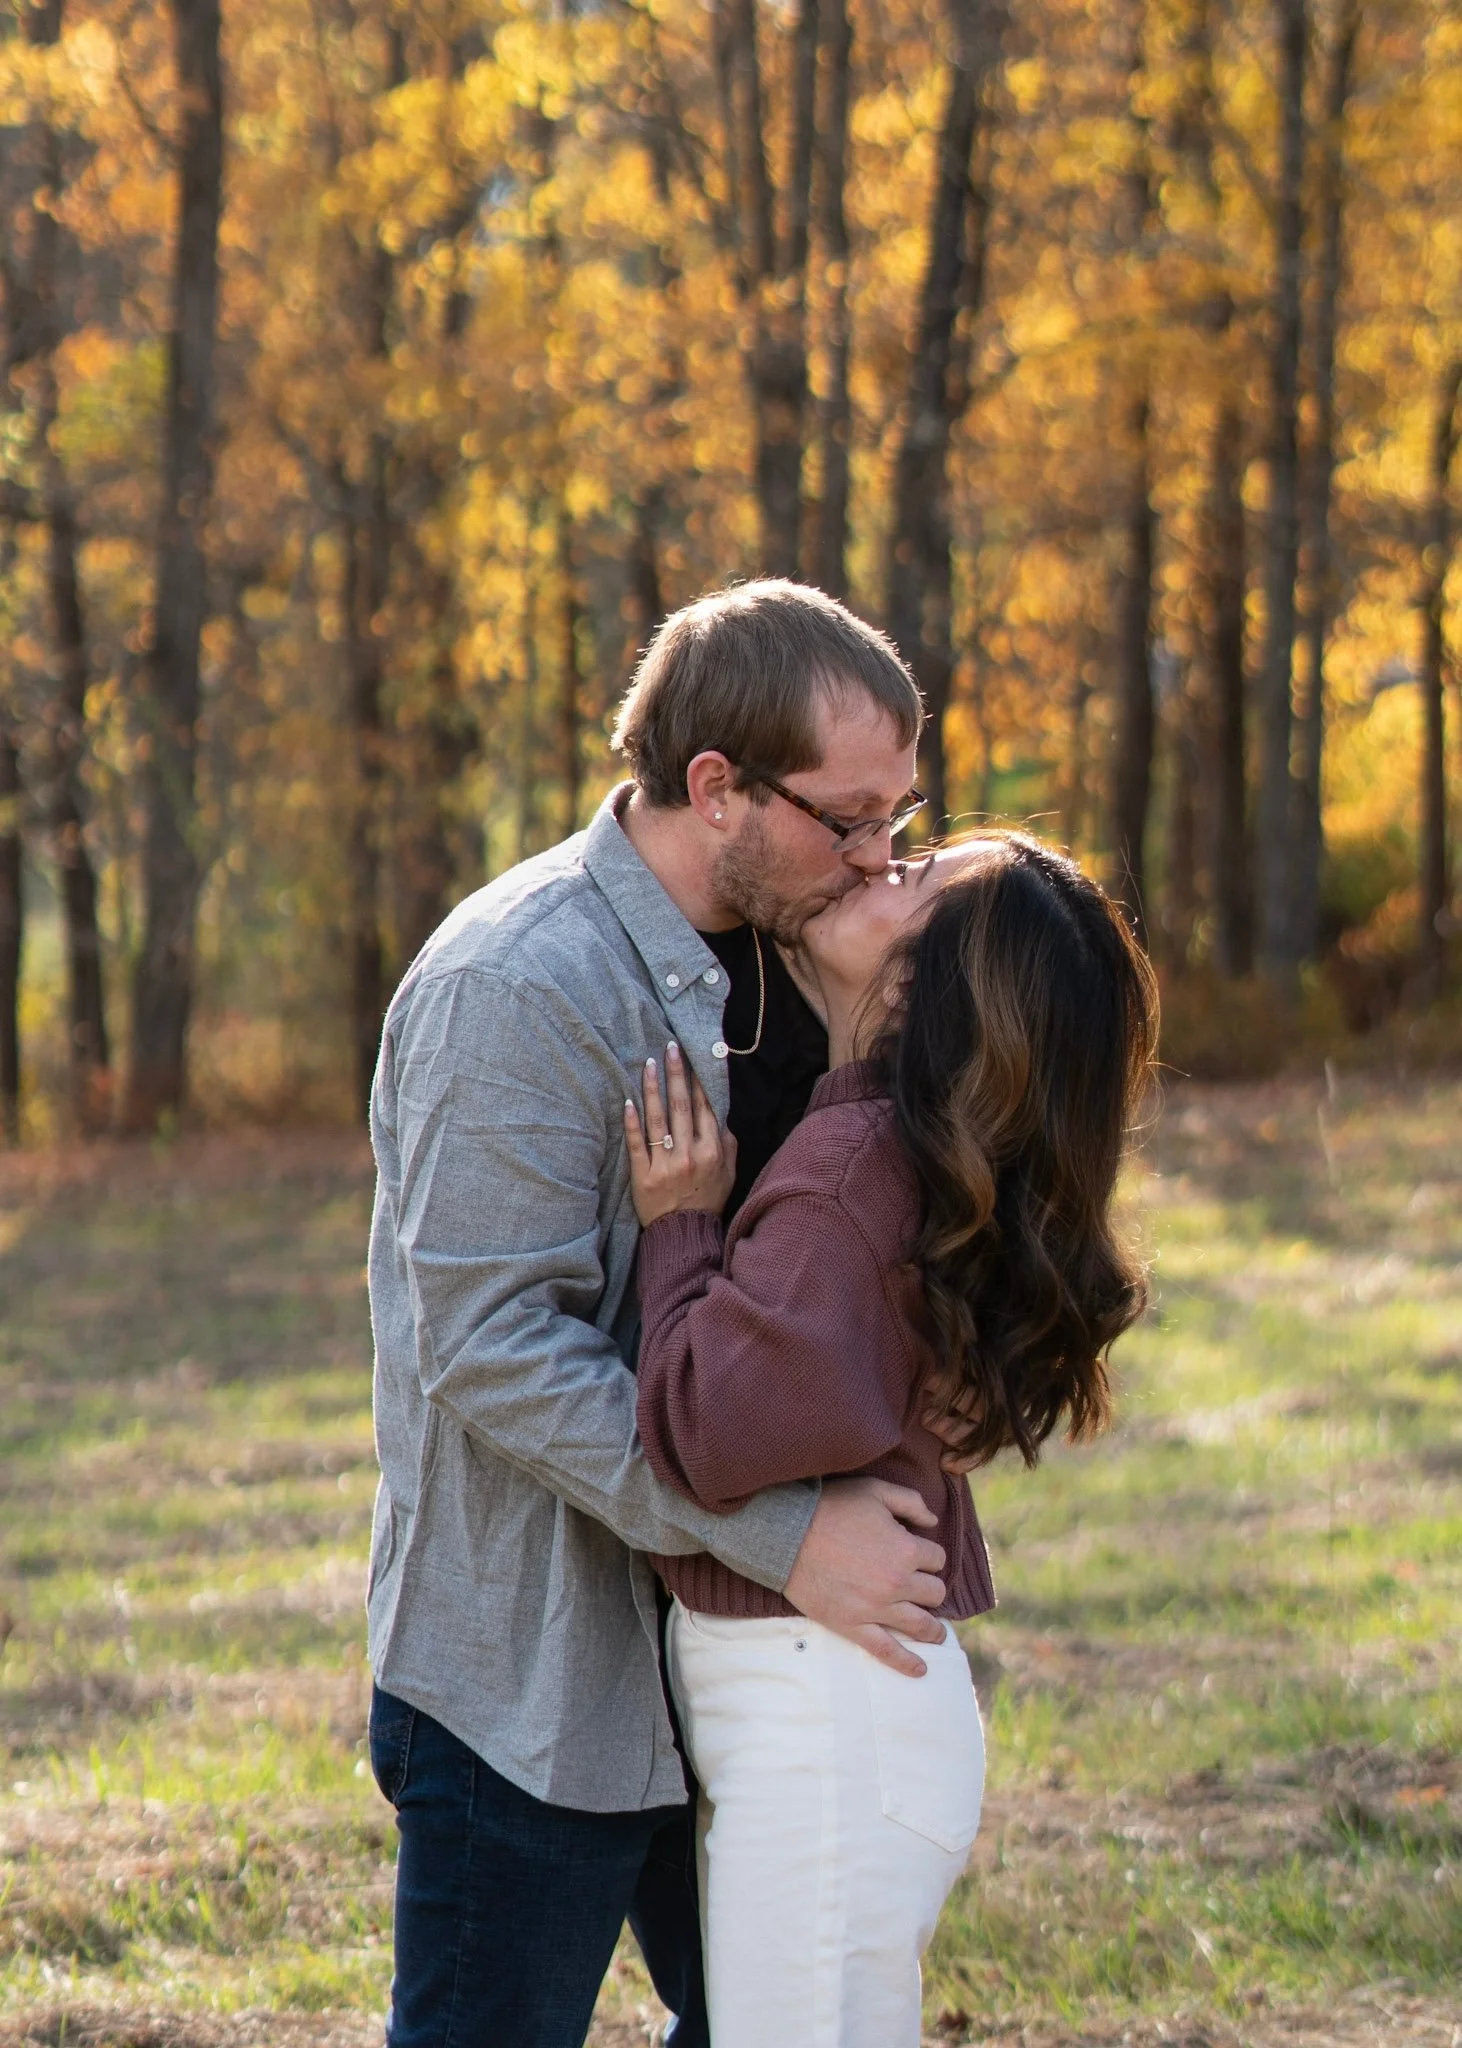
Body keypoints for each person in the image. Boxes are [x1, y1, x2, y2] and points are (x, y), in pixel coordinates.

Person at [365, 579, 952, 2048]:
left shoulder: (810, 954)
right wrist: (782, 1535)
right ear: (716, 786)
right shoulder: (514, 985)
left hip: (739, 1667)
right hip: (536, 1681)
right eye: (848, 818)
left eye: (899, 816)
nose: (879, 857)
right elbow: (489, 1352)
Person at [623, 831, 1160, 2048]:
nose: (873, 864)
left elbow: (703, 1430)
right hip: (844, 1720)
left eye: (910, 878)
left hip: (827, 1729)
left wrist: (679, 1227)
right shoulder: (888, 1159)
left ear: (921, 986)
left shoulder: (849, 1174)